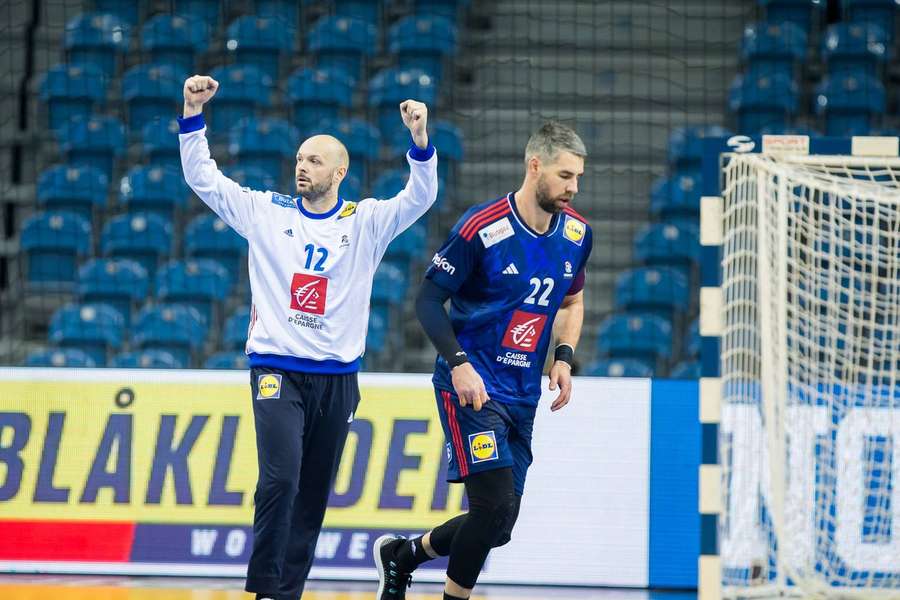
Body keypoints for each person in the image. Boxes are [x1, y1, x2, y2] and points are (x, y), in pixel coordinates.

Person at [177, 75, 438, 600]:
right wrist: (192, 113)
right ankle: (264, 588)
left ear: (340, 172)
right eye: (299, 158)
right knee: (281, 481)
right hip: (276, 369)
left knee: (313, 495)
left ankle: (287, 591)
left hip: (338, 378)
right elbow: (203, 178)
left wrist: (420, 144)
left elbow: (420, 198)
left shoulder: (364, 221)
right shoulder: (265, 212)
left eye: (315, 160)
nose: (302, 165)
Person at [373, 121, 592, 600]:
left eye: (578, 178)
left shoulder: (577, 234)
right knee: (490, 506)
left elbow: (572, 303)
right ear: (534, 166)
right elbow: (428, 302)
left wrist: (563, 357)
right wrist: (458, 363)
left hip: (522, 393)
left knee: (500, 525)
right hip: (470, 386)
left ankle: (404, 556)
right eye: (565, 176)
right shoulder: (482, 227)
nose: (573, 188)